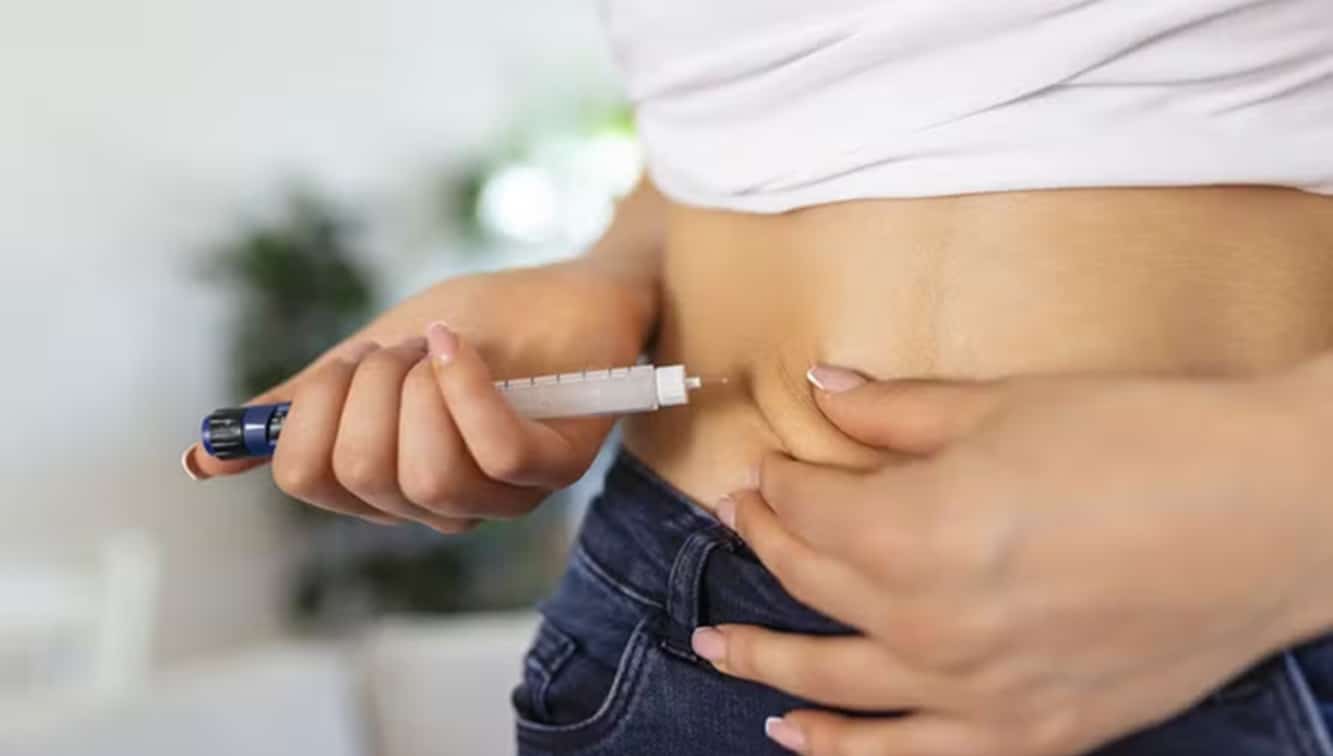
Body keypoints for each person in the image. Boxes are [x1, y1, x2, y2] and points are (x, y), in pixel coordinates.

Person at [183, 1, 1333, 754]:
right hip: (678, 617)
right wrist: (609, 273)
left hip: (1216, 601)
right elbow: (738, 113)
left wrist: (1286, 504)